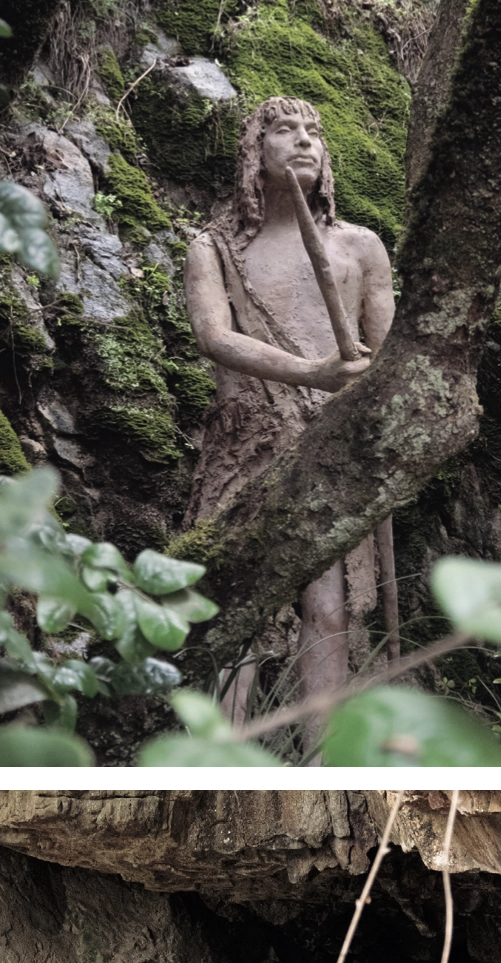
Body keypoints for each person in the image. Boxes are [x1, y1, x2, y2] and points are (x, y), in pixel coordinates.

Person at [184, 95, 397, 726]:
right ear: (255, 150)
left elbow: (386, 357)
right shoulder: (215, 248)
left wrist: (370, 402)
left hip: (334, 447)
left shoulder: (360, 247)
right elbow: (214, 337)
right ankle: (219, 758)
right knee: (236, 608)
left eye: (314, 131)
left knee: (327, 609)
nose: (303, 140)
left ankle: (321, 754)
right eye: (284, 130)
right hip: (248, 441)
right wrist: (311, 371)